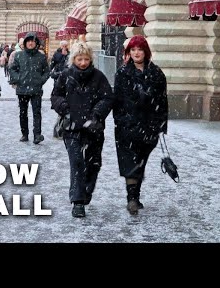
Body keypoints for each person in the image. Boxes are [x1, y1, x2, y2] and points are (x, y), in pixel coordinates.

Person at [51, 41, 114, 218]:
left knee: (94, 163)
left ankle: (87, 189)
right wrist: (64, 108)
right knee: (77, 162)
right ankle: (77, 201)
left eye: (86, 59)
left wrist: (97, 114)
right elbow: (55, 96)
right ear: (74, 59)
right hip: (72, 128)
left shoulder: (99, 77)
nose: (83, 62)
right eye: (80, 59)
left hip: (94, 128)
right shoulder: (65, 75)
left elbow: (108, 98)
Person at [113, 35, 168, 215]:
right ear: (129, 53)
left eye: (140, 49)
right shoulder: (122, 73)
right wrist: (122, 122)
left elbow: (162, 101)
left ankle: (136, 195)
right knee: (130, 162)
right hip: (127, 127)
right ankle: (132, 199)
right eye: (133, 50)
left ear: (146, 52)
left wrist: (160, 125)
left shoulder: (157, 73)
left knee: (141, 163)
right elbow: (118, 102)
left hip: (148, 126)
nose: (136, 53)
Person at [9, 32, 50, 144]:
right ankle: (24, 134)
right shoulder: (19, 55)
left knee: (37, 112)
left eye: (33, 41)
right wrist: (19, 78)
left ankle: (37, 134)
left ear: (36, 43)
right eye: (29, 41)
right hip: (22, 89)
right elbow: (12, 69)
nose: (31, 43)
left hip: (36, 89)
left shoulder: (41, 57)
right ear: (25, 43)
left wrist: (41, 80)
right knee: (23, 112)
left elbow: (47, 71)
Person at [50, 40, 70, 138]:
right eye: (63, 45)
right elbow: (52, 66)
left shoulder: (70, 55)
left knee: (66, 104)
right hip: (59, 81)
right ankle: (59, 128)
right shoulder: (57, 54)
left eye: (66, 45)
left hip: (68, 81)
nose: (64, 47)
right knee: (61, 103)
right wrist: (53, 73)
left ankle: (62, 128)